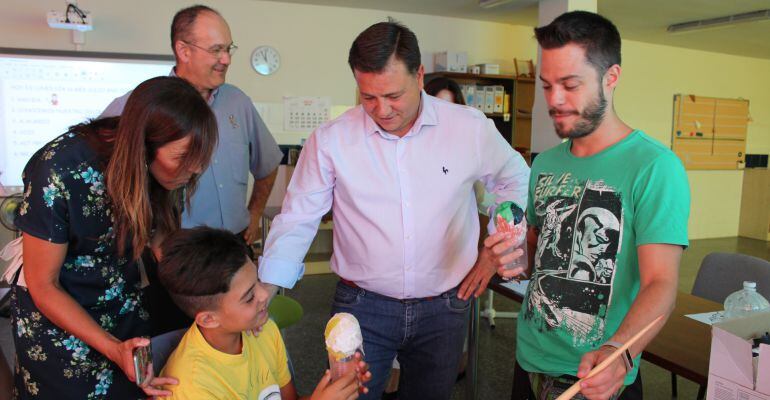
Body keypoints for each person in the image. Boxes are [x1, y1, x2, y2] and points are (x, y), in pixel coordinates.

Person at [259, 20, 530, 399]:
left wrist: (495, 247)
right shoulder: (332, 139)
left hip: (445, 306)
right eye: (368, 97)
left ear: (419, 76)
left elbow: (516, 179)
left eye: (393, 95)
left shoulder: (468, 128)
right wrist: (267, 287)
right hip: (362, 307)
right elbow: (298, 216)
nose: (381, 110)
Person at [496, 11, 690, 400]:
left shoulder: (654, 167)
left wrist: (619, 353)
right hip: (529, 358)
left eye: (570, 85)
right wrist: (514, 258)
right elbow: (538, 256)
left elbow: (661, 284)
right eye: (547, 86)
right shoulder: (546, 163)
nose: (555, 100)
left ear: (611, 77)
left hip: (597, 374)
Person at [11, 76, 218, 399]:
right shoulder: (61, 171)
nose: (193, 171)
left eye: (199, 160)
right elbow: (43, 285)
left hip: (123, 310)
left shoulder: (161, 171)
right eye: (181, 158)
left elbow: (162, 243)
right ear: (143, 146)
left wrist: (218, 301)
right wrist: (112, 348)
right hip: (60, 328)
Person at [102, 5, 283, 244]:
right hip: (172, 247)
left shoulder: (238, 102)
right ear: (184, 51)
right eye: (216, 50)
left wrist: (255, 213)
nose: (226, 59)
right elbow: (102, 171)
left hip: (233, 243)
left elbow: (268, 164)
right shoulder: (139, 104)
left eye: (228, 49)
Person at [156, 227, 370, 399]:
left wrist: (337, 388)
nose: (263, 295)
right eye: (249, 297)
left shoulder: (262, 329)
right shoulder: (193, 387)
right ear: (208, 319)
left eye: (258, 280)